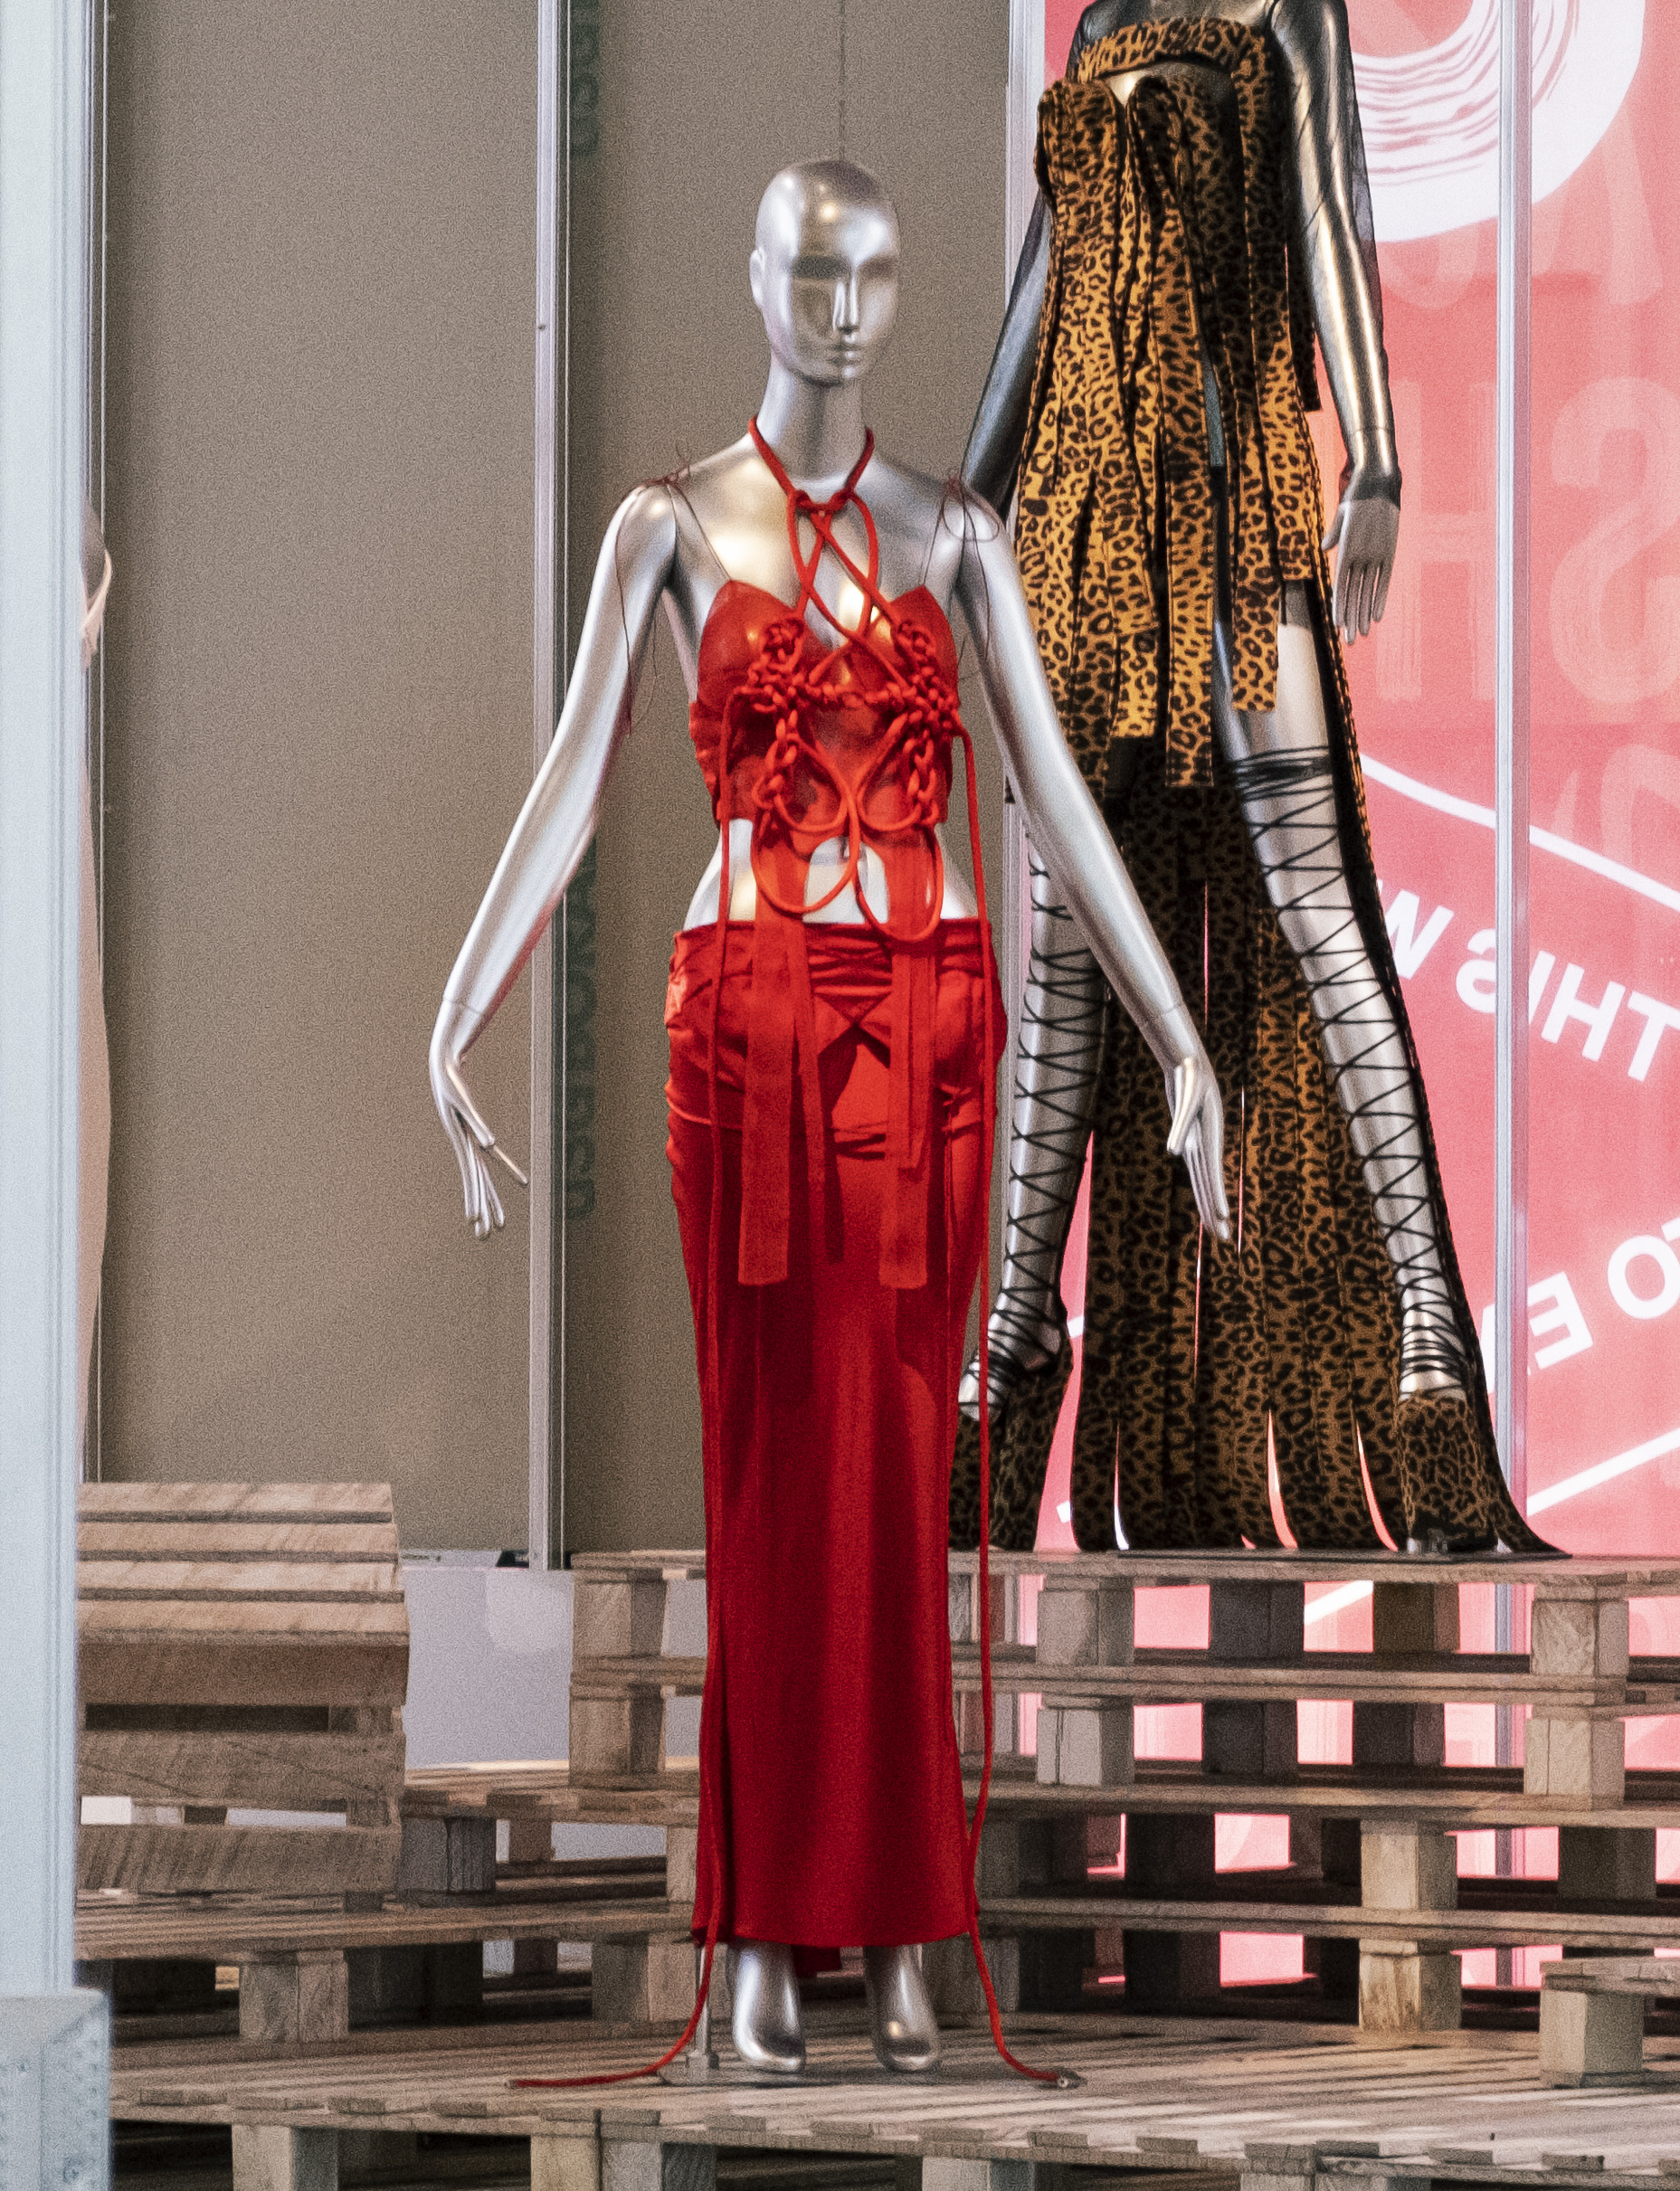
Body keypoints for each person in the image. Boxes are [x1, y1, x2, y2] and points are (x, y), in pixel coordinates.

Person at [426, 164, 1237, 2079]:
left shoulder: (959, 533)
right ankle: (772, 1933)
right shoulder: (670, 525)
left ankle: (894, 1933)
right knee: (772, 1492)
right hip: (755, 1040)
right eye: (809, 260)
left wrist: (1179, 1036)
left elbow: (1048, 797)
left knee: (893, 1488)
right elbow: (572, 782)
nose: (845, 302)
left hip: (931, 1052)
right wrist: (455, 1010)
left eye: (876, 265)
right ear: (755, 272)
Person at [950, 0, 1550, 1557]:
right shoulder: (1100, 29)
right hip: (1080, 544)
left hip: (1235, 528)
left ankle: (1430, 1379)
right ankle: (993, 1413)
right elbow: (1042, 299)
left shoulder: (1289, 13)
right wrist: (953, 507)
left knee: (1323, 928)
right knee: (1065, 972)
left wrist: (1375, 458)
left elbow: (1332, 234)